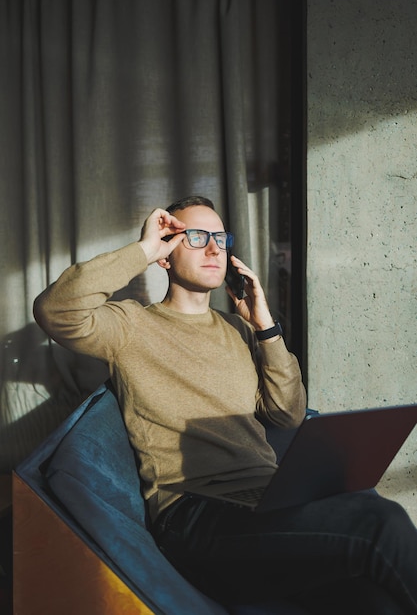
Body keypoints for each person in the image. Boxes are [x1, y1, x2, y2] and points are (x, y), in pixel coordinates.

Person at [34, 196, 417, 614]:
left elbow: (286, 414)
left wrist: (266, 328)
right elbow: (56, 310)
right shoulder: (131, 326)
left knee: (376, 600)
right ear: (166, 254)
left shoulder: (238, 329)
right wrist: (143, 250)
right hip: (197, 518)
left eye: (220, 237)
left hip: (269, 506)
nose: (215, 249)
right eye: (197, 237)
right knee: (381, 519)